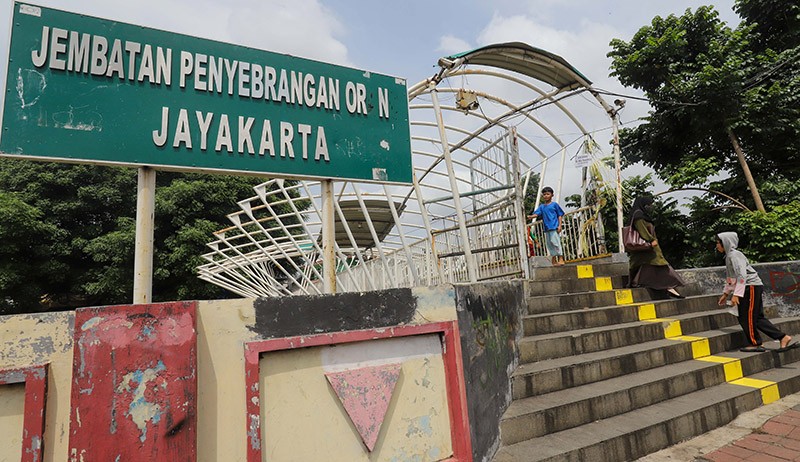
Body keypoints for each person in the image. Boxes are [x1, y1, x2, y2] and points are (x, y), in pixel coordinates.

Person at [715, 232, 795, 352]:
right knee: (756, 318)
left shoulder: (735, 256)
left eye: (718, 243)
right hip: (749, 287)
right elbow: (731, 278)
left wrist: (736, 294)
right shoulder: (729, 257)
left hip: (750, 286)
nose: (716, 246)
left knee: (747, 317)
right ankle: (783, 337)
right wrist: (726, 293)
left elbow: (741, 275)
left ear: (725, 243)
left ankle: (755, 343)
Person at [627, 196, 685, 298]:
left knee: (643, 266)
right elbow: (642, 230)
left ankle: (668, 288)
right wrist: (651, 240)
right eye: (649, 205)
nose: (650, 207)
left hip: (645, 249)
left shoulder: (642, 215)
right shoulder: (638, 215)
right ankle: (669, 288)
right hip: (647, 247)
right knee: (661, 265)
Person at [529, 186, 565, 266]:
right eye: (544, 194)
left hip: (554, 227)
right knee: (549, 244)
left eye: (548, 194)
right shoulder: (542, 206)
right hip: (546, 228)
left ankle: (561, 258)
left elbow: (560, 215)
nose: (546, 196)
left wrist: (560, 225)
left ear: (552, 195)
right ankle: (554, 259)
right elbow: (536, 213)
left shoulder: (554, 205)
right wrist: (531, 216)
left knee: (556, 242)